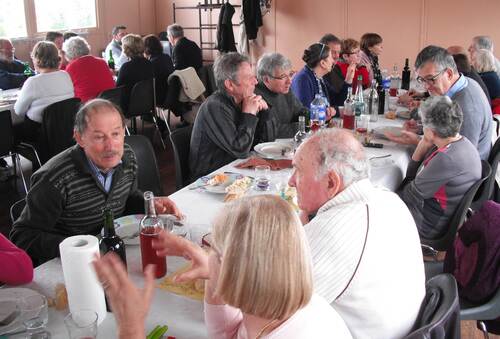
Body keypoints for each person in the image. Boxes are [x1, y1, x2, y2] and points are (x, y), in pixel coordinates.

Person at [93, 195, 353, 339]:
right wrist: (215, 272)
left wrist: (131, 329)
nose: (208, 254)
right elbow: (227, 334)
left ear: (239, 271)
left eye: (214, 250)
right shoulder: (303, 306)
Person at [289, 128, 425, 338]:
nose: (290, 181)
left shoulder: (333, 231)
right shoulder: (386, 197)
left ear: (331, 182)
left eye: (298, 171)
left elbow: (278, 311)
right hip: (408, 326)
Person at [10, 99, 182, 266]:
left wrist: (150, 205)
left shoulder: (127, 157)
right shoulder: (55, 179)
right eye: (99, 137)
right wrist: (81, 247)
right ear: (80, 138)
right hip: (71, 265)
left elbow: (127, 199)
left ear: (124, 131)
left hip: (114, 253)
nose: (111, 146)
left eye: (115, 134)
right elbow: (22, 236)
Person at [387, 45, 492, 161]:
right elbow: (450, 134)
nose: (426, 87)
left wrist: (420, 142)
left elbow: (459, 158)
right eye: (422, 80)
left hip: (463, 174)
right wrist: (421, 129)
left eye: (431, 79)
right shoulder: (466, 83)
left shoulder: (466, 106)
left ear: (449, 74)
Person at [399, 96, 481, 239]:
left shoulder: (446, 158)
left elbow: (408, 194)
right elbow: (411, 176)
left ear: (431, 131)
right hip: (443, 217)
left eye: (423, 124)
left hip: (428, 225)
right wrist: (424, 143)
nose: (422, 127)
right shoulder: (461, 143)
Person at [189, 52, 268, 180]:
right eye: (249, 77)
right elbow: (240, 150)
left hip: (235, 170)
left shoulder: (243, 100)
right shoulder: (215, 106)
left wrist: (265, 112)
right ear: (230, 85)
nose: (255, 81)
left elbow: (264, 143)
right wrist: (249, 114)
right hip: (210, 180)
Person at [13, 41, 74, 143]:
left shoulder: (33, 82)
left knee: (13, 128)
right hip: (66, 129)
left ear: (36, 59)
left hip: (40, 132)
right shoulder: (65, 75)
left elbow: (19, 111)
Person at [254, 52, 307, 143]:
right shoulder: (255, 97)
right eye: (283, 77)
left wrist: (315, 116)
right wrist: (303, 126)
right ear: (266, 79)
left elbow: (301, 112)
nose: (289, 82)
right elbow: (272, 132)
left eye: (290, 75)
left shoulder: (285, 90)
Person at [290, 43, 338, 115]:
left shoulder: (319, 77)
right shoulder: (303, 79)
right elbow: (305, 113)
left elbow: (336, 99)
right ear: (323, 63)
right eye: (331, 57)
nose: (333, 61)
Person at [63, 36, 115, 102]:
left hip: (87, 107)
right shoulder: (102, 62)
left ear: (69, 53)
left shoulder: (71, 67)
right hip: (109, 103)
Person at [116, 34, 154, 113]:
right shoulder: (149, 63)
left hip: (128, 105)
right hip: (148, 102)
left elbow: (117, 88)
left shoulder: (126, 67)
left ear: (126, 50)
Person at [320, 33, 352, 106]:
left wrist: (348, 80)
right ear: (322, 52)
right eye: (333, 52)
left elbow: (341, 100)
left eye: (338, 52)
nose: (337, 56)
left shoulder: (336, 68)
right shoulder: (319, 74)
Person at [143, 34, 174, 106]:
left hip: (157, 97)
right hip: (170, 95)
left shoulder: (151, 63)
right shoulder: (167, 57)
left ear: (146, 48)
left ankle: (147, 116)